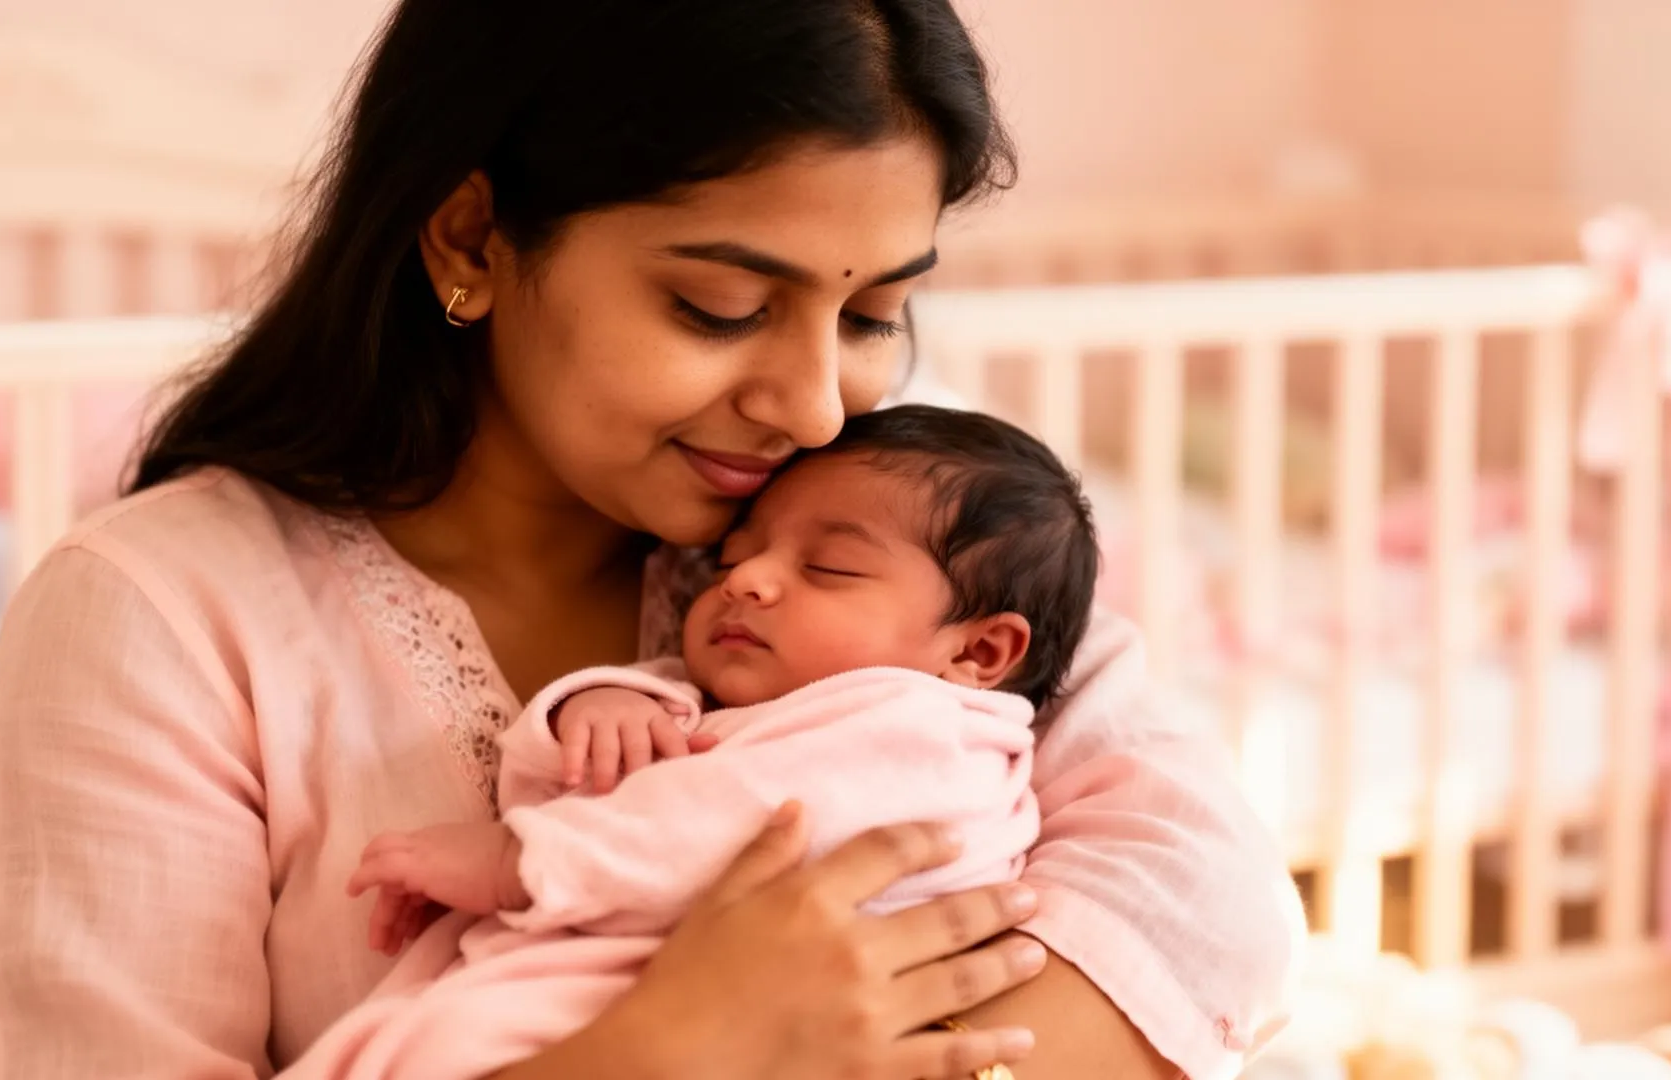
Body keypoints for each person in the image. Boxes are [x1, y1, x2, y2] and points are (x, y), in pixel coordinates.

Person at [0, 2, 1304, 1078]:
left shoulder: (881, 552)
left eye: (874, 314)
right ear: (471, 233)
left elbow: (1207, 899)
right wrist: (666, 1055)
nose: (812, 400)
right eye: (717, 306)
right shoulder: (161, 624)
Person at [331, 406, 1098, 1080]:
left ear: (981, 654)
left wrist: (517, 863)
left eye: (828, 567)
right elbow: (598, 771)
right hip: (665, 995)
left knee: (428, 1045)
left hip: (748, 1004)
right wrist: (598, 705)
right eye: (732, 557)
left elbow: (731, 818)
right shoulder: (753, 696)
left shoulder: (933, 739)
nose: (746, 579)